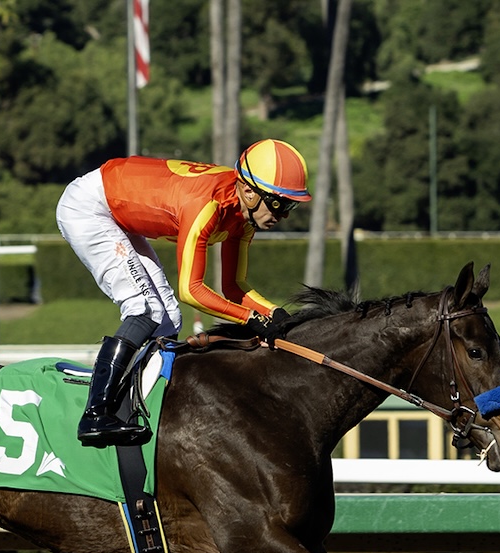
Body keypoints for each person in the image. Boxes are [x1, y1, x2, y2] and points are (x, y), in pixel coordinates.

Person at [56, 138, 311, 447]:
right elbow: (191, 290)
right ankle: (96, 414)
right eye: (279, 204)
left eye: (291, 206)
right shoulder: (207, 205)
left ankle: (146, 407)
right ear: (249, 192)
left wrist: (275, 313)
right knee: (144, 308)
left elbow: (233, 287)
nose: (284, 215)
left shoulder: (242, 216)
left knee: (169, 320)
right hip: (89, 208)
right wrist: (250, 318)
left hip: (116, 208)